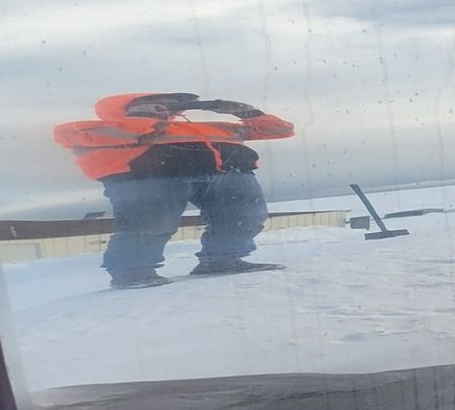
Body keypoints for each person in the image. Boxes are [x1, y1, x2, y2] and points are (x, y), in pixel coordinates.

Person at [53, 93, 296, 289]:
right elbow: (73, 135)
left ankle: (223, 259)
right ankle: (131, 272)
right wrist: (144, 119)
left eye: (165, 105)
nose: (161, 108)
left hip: (227, 174)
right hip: (146, 178)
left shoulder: (212, 126)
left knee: (245, 217)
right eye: (152, 104)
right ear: (123, 109)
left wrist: (247, 112)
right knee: (150, 224)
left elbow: (281, 130)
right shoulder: (93, 129)